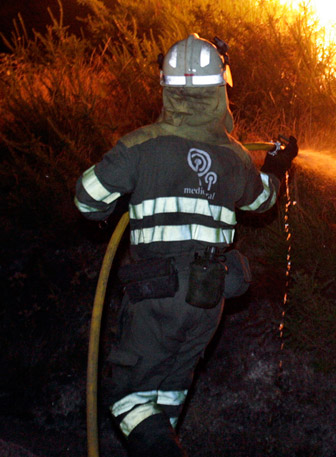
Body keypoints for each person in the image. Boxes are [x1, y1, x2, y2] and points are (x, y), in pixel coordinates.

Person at [74, 33, 297, 457]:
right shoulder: (234, 158)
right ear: (221, 89)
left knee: (127, 397)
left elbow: (86, 198)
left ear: (166, 86)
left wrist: (115, 206)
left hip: (155, 297)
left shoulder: (141, 146)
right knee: (170, 393)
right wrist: (277, 166)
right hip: (208, 299)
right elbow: (264, 200)